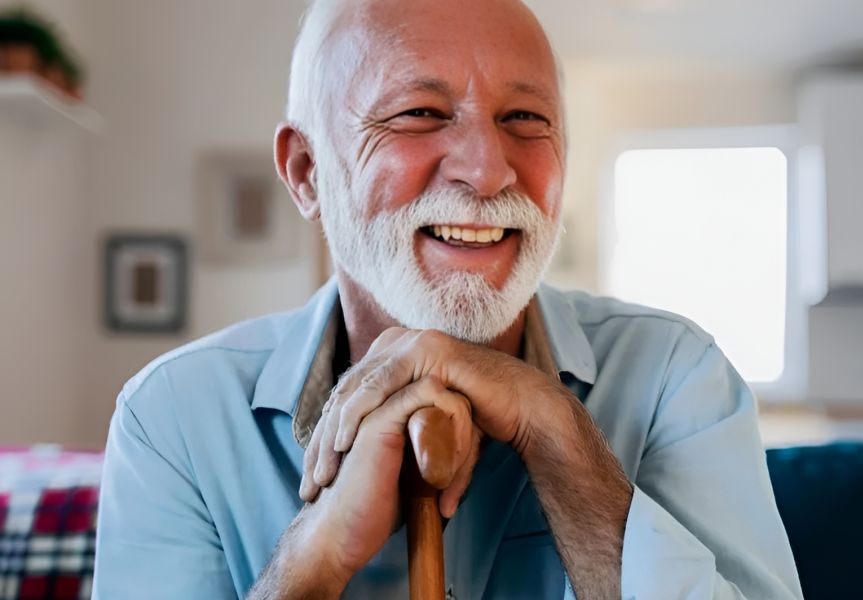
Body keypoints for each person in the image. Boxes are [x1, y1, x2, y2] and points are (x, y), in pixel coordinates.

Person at [92, 0, 804, 598]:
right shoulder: (173, 418)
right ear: (307, 172)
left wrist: (556, 433)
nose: (489, 171)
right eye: (420, 113)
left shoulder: (677, 376)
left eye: (525, 118)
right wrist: (313, 560)